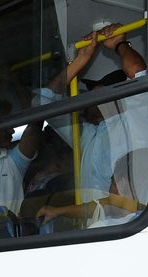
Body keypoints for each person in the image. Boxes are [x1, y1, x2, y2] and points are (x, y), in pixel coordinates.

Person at [34, 24, 147, 198]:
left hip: (135, 223)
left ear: (111, 93)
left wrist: (119, 44)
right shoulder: (87, 136)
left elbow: (138, 72)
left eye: (93, 89)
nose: (86, 97)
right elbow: (42, 103)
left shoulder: (136, 120)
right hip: (96, 224)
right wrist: (80, 61)